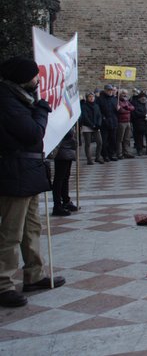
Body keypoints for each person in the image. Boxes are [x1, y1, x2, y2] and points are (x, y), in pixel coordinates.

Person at [0, 57, 65, 307]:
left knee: (31, 228)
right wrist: (41, 110)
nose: (38, 80)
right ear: (22, 78)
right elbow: (32, 132)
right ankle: (4, 283)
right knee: (11, 232)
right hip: (15, 171)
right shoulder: (7, 101)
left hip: (27, 171)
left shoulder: (18, 98)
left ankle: (34, 274)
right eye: (35, 76)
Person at [51, 131, 79, 216]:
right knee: (59, 179)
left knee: (65, 177)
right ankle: (57, 205)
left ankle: (66, 200)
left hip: (68, 148)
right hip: (62, 148)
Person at [96, 84, 119, 162]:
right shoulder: (100, 99)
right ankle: (105, 155)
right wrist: (103, 118)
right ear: (105, 90)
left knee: (113, 140)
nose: (110, 92)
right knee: (104, 141)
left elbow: (116, 112)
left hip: (113, 122)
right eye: (109, 90)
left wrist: (118, 109)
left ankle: (112, 154)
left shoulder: (115, 99)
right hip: (104, 123)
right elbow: (98, 110)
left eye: (111, 90)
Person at [79, 92, 103, 164]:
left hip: (96, 126)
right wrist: (91, 125)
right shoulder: (84, 106)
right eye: (90, 97)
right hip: (87, 126)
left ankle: (97, 157)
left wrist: (98, 124)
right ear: (87, 98)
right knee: (88, 143)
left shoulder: (96, 106)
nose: (92, 98)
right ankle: (89, 159)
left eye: (93, 97)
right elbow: (85, 117)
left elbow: (99, 115)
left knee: (99, 142)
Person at [115, 89, 135, 159]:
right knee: (120, 139)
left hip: (128, 121)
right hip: (121, 122)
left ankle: (126, 152)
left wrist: (127, 108)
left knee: (127, 139)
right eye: (123, 93)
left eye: (126, 93)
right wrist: (128, 110)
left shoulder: (127, 101)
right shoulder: (118, 101)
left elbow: (132, 107)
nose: (125, 95)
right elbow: (121, 110)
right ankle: (119, 153)